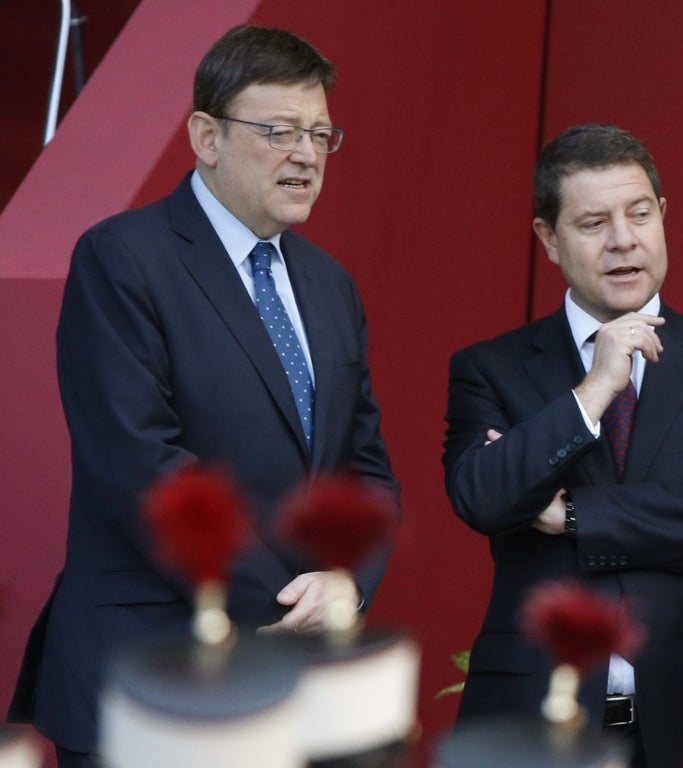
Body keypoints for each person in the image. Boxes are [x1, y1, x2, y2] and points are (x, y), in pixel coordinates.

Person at [7, 25, 400, 767]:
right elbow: (139, 464)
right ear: (206, 136)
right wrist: (289, 599)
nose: (307, 155)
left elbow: (365, 468)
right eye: (279, 131)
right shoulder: (123, 258)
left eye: (320, 134)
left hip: (292, 692)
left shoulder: (329, 285)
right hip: (150, 680)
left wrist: (347, 581)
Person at [442, 123, 683, 768]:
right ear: (548, 238)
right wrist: (593, 391)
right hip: (539, 713)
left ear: (663, 217)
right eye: (594, 222)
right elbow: (483, 497)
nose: (623, 240)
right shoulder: (491, 368)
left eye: (640, 214)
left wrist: (574, 514)